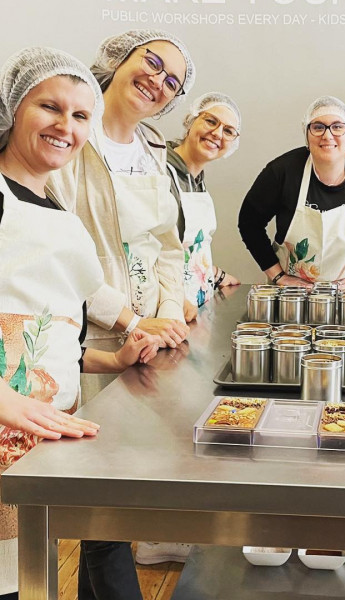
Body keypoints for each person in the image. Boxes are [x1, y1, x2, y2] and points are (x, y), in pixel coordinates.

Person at [0, 47, 159, 600]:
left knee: (23, 575)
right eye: (50, 107)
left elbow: (54, 326)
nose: (65, 126)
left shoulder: (59, 219)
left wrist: (113, 358)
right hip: (4, 426)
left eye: (80, 115)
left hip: (35, 439)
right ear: (15, 107)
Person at [48, 29, 194, 355]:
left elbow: (167, 247)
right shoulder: (70, 138)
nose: (158, 80)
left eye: (171, 83)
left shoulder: (153, 149)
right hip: (90, 338)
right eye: (153, 63)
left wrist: (169, 315)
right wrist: (129, 322)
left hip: (154, 337)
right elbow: (59, 256)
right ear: (118, 59)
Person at [238, 96, 345, 288]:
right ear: (307, 134)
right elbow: (249, 222)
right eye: (318, 127)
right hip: (290, 296)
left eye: (337, 127)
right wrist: (278, 276)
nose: (327, 136)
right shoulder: (283, 171)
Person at [165, 92, 241, 323]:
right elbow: (147, 251)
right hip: (169, 310)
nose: (217, 133)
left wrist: (215, 274)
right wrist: (173, 299)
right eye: (210, 121)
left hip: (195, 306)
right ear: (190, 121)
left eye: (228, 131)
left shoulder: (197, 179)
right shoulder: (160, 171)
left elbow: (190, 248)